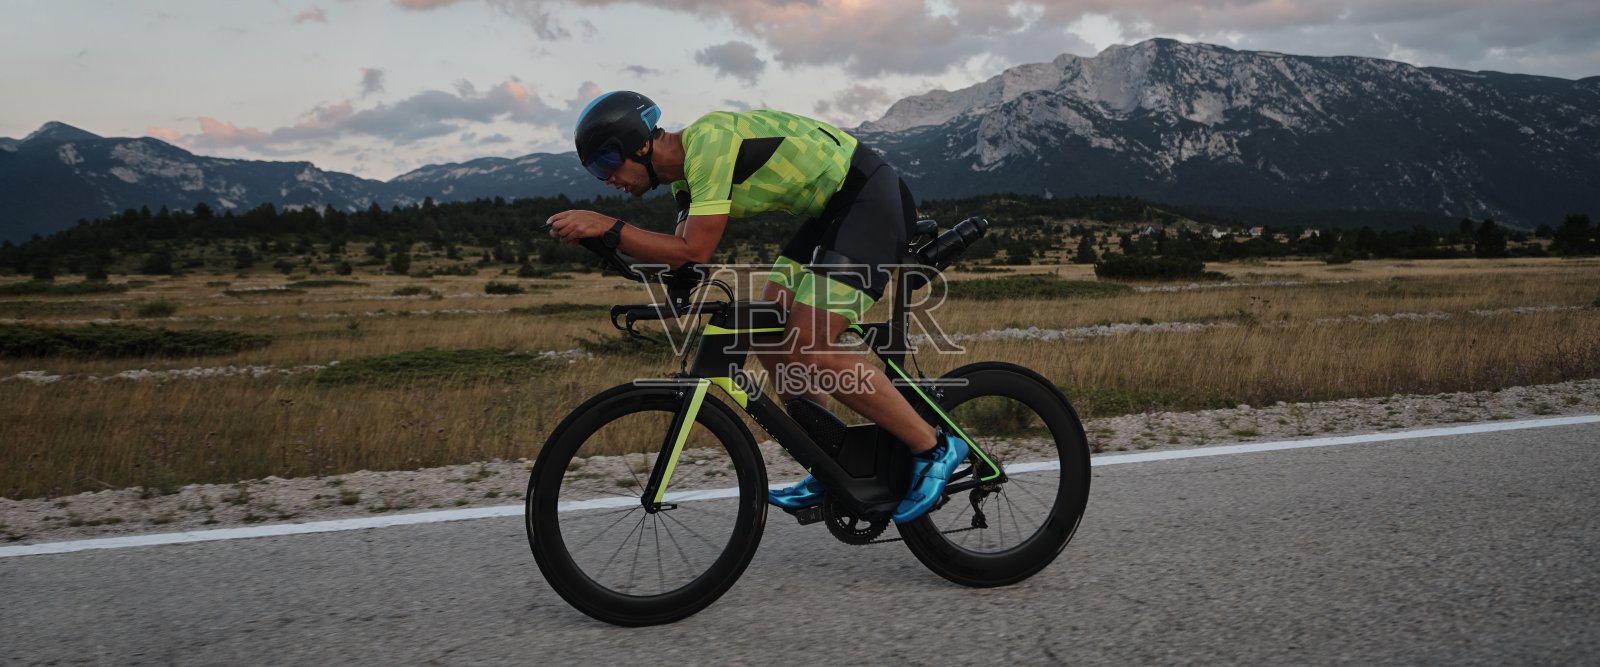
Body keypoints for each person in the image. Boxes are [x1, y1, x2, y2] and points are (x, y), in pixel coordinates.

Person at [546, 90, 965, 523]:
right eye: (596, 171)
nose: (606, 179)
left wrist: (608, 225)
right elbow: (680, 261)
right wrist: (605, 244)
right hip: (832, 214)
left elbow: (695, 249)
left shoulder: (708, 143)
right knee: (771, 337)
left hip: (867, 197)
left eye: (605, 163)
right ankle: (830, 461)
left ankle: (933, 446)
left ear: (639, 144)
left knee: (810, 349)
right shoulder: (684, 181)